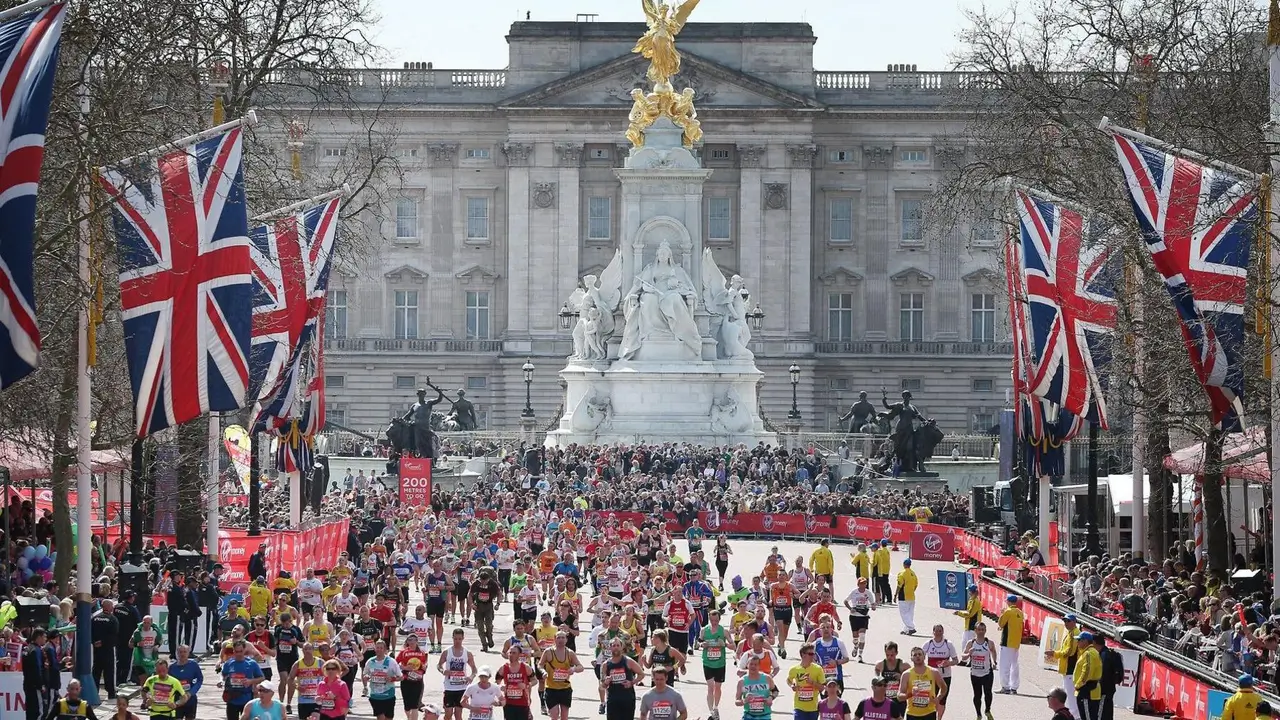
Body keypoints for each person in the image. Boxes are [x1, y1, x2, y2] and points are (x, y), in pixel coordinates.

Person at [540, 630, 583, 720]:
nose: (561, 640)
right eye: (558, 637)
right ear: (554, 639)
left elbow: (581, 667)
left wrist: (573, 669)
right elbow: (540, 665)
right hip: (551, 688)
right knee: (554, 716)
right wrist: (543, 672)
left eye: (563, 637)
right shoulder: (548, 652)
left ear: (566, 639)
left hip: (565, 689)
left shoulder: (570, 653)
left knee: (564, 717)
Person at [600, 637, 645, 720]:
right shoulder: (605, 665)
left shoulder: (628, 661)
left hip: (627, 698)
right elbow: (602, 685)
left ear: (622, 647)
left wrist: (632, 682)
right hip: (613, 699)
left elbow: (641, 674)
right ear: (610, 648)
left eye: (618, 645)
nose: (616, 647)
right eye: (613, 645)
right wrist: (606, 682)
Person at [1045, 614, 1080, 718]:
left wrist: (1055, 654)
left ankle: (1074, 717)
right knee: (1068, 696)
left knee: (1070, 697)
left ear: (1074, 622)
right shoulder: (1070, 632)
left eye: (1068, 621)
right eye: (1065, 621)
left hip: (1071, 668)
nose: (1066, 623)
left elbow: (1070, 652)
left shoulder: (1074, 634)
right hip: (1067, 669)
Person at [222, 639, 267, 720]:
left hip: (246, 700)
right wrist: (221, 682)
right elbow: (223, 676)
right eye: (237, 651)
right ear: (233, 651)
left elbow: (262, 678)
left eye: (241, 651)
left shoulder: (251, 663)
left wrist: (251, 681)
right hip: (232, 700)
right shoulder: (228, 664)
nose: (239, 654)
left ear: (244, 650)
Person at [439, 629, 478, 720]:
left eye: (459, 639)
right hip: (449, 687)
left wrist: (471, 677)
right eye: (455, 639)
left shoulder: (467, 653)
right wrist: (443, 671)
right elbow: (439, 665)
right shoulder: (447, 652)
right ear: (452, 638)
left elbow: (474, 669)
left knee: (458, 714)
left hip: (461, 687)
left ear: (463, 638)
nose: (457, 641)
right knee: (448, 714)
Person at [960, 622, 996, 720]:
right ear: (975, 631)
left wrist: (994, 662)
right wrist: (968, 654)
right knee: (977, 695)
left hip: (987, 673)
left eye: (983, 630)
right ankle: (978, 714)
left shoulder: (989, 643)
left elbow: (993, 651)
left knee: (988, 693)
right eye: (979, 630)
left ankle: (987, 710)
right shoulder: (971, 643)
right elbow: (963, 656)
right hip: (975, 674)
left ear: (985, 631)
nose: (981, 632)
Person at [897, 647, 944, 720]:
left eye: (919, 654)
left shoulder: (933, 672)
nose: (917, 656)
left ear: (924, 656)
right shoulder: (906, 674)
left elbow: (944, 687)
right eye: (915, 655)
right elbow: (899, 696)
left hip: (930, 713)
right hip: (912, 714)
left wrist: (938, 698)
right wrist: (911, 694)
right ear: (911, 658)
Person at [920, 626, 956, 719]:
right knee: (931, 698)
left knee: (942, 700)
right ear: (933, 632)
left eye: (940, 631)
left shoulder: (948, 644)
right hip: (931, 677)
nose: (938, 633)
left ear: (943, 632)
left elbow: (956, 660)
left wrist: (949, 663)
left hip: (945, 676)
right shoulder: (928, 644)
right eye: (936, 631)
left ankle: (939, 718)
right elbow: (919, 658)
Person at [23, 629, 60, 720]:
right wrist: (41, 685)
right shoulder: (36, 650)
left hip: (28, 685)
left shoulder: (27, 648)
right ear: (39, 637)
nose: (45, 639)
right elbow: (37, 669)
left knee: (30, 712)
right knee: (40, 712)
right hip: (36, 687)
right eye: (44, 637)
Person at [699, 610, 730, 720]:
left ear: (719, 619)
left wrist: (724, 644)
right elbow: (698, 643)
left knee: (718, 687)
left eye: (716, 620)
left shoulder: (724, 631)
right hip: (707, 662)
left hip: (720, 663)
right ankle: (711, 711)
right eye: (712, 620)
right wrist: (702, 644)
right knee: (710, 687)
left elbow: (734, 646)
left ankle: (716, 707)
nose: (714, 622)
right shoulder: (704, 630)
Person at [363, 640, 402, 720]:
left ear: (385, 649)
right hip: (375, 696)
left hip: (388, 695)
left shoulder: (391, 662)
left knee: (388, 718)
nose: (379, 650)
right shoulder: (370, 661)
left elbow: (401, 677)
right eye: (377, 648)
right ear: (374, 649)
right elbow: (365, 674)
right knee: (380, 717)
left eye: (381, 648)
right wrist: (366, 677)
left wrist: (392, 679)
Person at [788, 642, 826, 720]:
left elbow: (822, 688)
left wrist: (812, 682)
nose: (813, 656)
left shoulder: (818, 669)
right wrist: (792, 685)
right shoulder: (794, 670)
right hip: (799, 707)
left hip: (813, 708)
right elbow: (788, 680)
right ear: (803, 654)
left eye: (814, 654)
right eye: (810, 654)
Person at [92, 599, 121, 701]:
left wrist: (95, 642)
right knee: (109, 671)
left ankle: (94, 692)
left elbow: (90, 631)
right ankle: (111, 693)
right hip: (108, 649)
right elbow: (114, 634)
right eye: (112, 606)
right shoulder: (113, 619)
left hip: (96, 649)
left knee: (96, 671)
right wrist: (103, 642)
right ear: (109, 607)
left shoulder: (94, 618)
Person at [844, 577, 876, 662]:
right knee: (855, 637)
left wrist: (873, 606)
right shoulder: (854, 592)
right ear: (858, 584)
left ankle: (860, 655)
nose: (863, 585)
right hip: (854, 616)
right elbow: (845, 601)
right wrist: (850, 608)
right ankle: (855, 646)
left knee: (862, 636)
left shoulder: (868, 593)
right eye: (861, 583)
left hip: (863, 617)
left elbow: (873, 603)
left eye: (864, 583)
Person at [734, 654, 776, 720]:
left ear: (759, 666)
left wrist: (771, 697)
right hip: (748, 716)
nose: (753, 666)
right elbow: (737, 701)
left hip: (765, 715)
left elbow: (775, 691)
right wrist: (745, 701)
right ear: (747, 665)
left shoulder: (767, 678)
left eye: (755, 664)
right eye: (751, 664)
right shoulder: (742, 681)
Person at [997, 595, 1024, 694]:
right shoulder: (1020, 612)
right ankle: (1014, 686)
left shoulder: (1008, 611)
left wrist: (1002, 613)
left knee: (1004, 665)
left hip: (1007, 642)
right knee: (1014, 665)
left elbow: (1001, 623)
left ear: (1008, 602)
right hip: (1016, 643)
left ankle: (1005, 686)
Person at [1071, 632, 1101, 720]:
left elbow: (1087, 672)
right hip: (1088, 691)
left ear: (1085, 641)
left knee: (1087, 717)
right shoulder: (1089, 652)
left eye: (1079, 640)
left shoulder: (1089, 653)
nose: (1077, 642)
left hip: (1087, 691)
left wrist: (1078, 685)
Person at [169, 646, 204, 720]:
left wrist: (191, 692)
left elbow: (199, 680)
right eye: (180, 652)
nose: (182, 654)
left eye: (185, 652)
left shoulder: (193, 665)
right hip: (177, 699)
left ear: (188, 653)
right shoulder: (172, 667)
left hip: (190, 699)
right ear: (177, 653)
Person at [954, 586, 981, 652]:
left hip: (972, 627)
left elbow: (970, 614)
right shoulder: (971, 600)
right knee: (964, 644)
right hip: (968, 627)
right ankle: (964, 657)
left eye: (969, 591)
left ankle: (969, 658)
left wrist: (958, 613)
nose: (968, 592)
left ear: (972, 592)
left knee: (969, 646)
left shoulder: (975, 602)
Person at [895, 559, 918, 635]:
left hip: (903, 597)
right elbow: (916, 585)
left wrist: (895, 595)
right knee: (910, 614)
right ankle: (906, 629)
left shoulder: (902, 573)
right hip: (912, 596)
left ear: (904, 564)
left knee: (904, 614)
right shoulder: (913, 573)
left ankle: (911, 628)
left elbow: (899, 585)